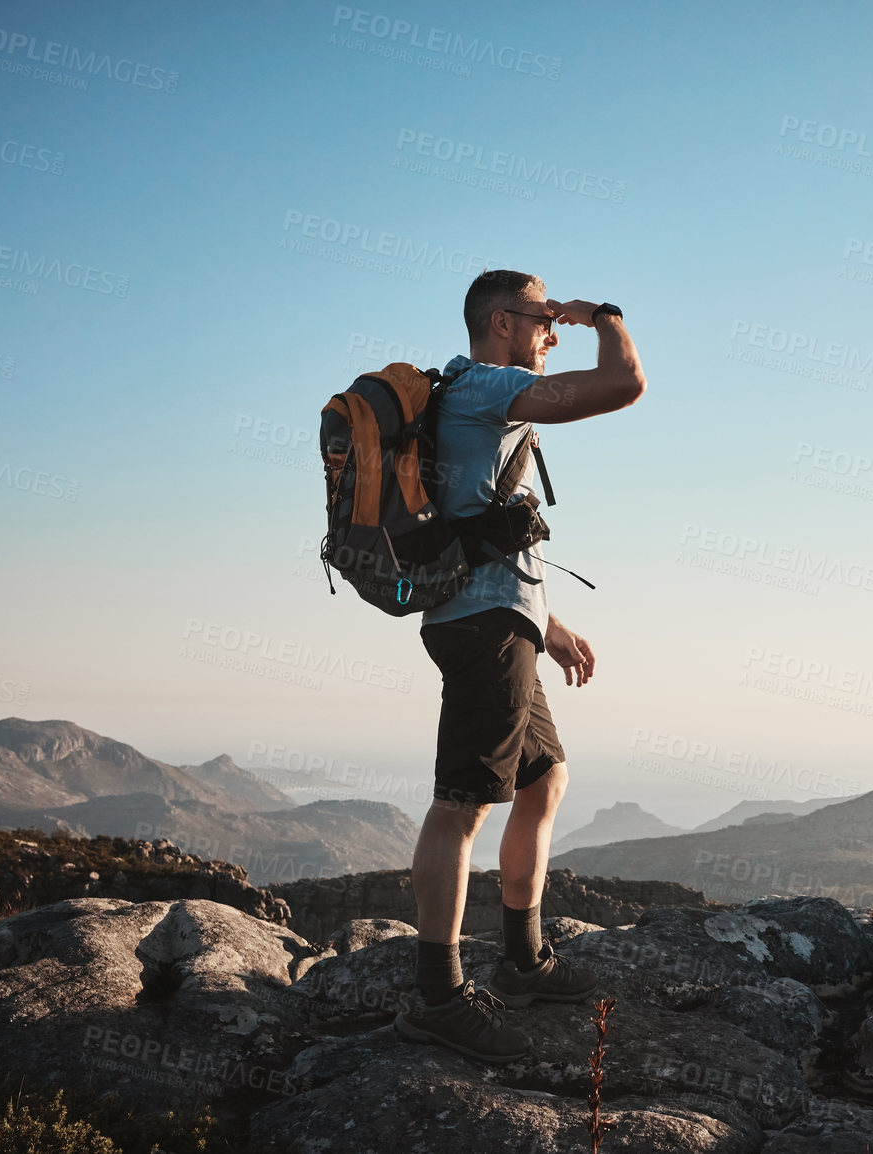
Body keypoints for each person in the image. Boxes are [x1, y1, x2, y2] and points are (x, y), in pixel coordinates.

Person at [392, 269, 647, 1062]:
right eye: (544, 317)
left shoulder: (476, 400)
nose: (554, 330)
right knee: (461, 805)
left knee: (543, 780)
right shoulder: (483, 387)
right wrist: (606, 314)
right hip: (481, 630)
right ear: (502, 322)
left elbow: (488, 529)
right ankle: (438, 998)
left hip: (504, 618)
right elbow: (621, 384)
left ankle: (524, 960)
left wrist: (551, 624)